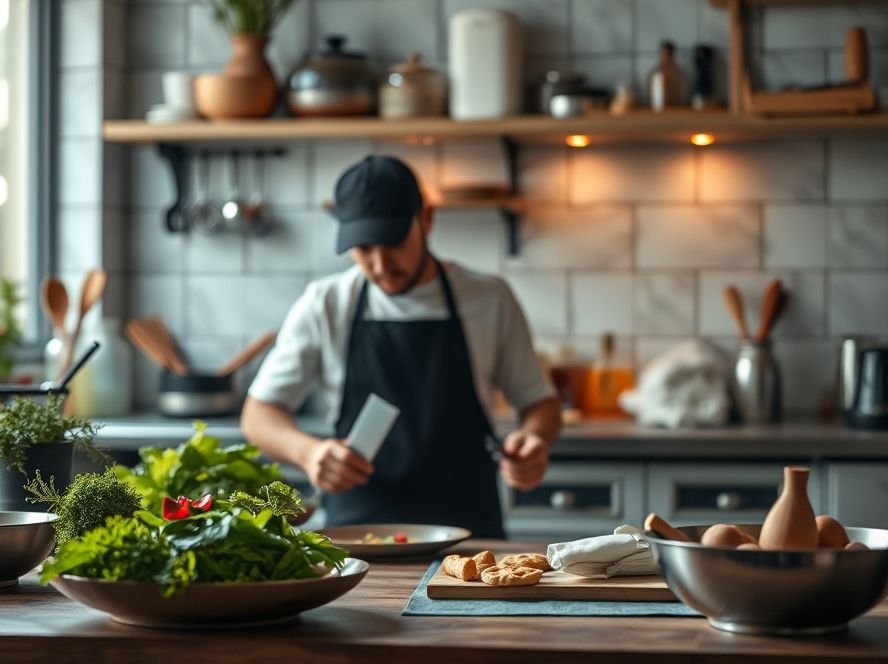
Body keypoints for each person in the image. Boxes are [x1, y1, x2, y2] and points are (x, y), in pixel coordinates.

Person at [241, 155, 561, 538]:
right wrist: (308, 453)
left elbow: (540, 402)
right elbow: (258, 415)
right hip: (357, 541)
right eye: (363, 248)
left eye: (393, 242)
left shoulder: (489, 298)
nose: (380, 265)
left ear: (426, 219)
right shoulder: (325, 303)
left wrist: (533, 439)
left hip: (468, 539)